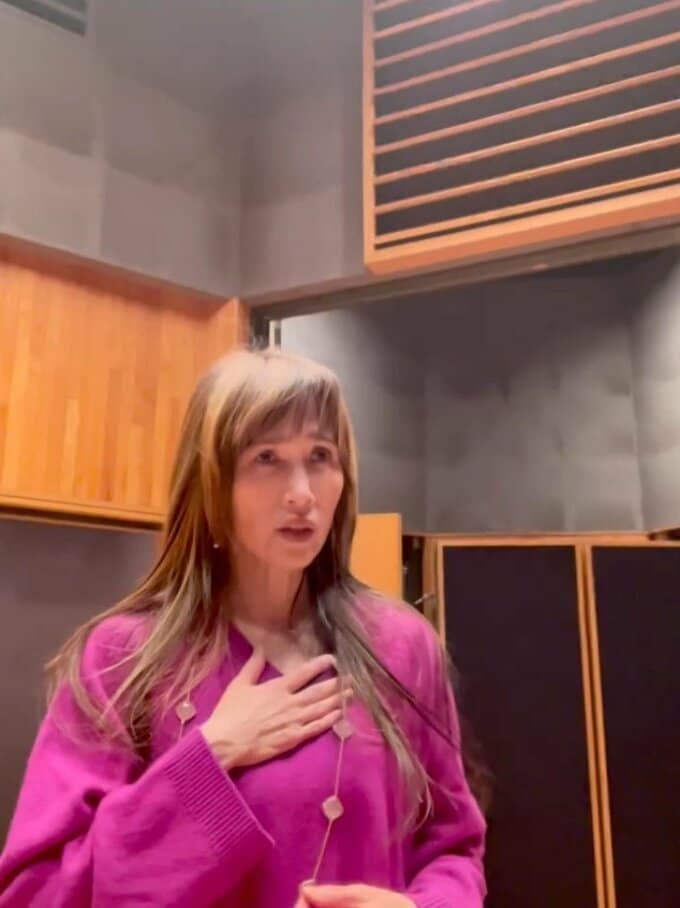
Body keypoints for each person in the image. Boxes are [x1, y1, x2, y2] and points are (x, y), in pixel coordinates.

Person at [0, 347, 486, 907]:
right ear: (213, 485)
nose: (301, 492)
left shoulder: (402, 646)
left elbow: (454, 849)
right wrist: (210, 757)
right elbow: (37, 894)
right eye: (266, 459)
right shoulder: (121, 658)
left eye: (320, 456)